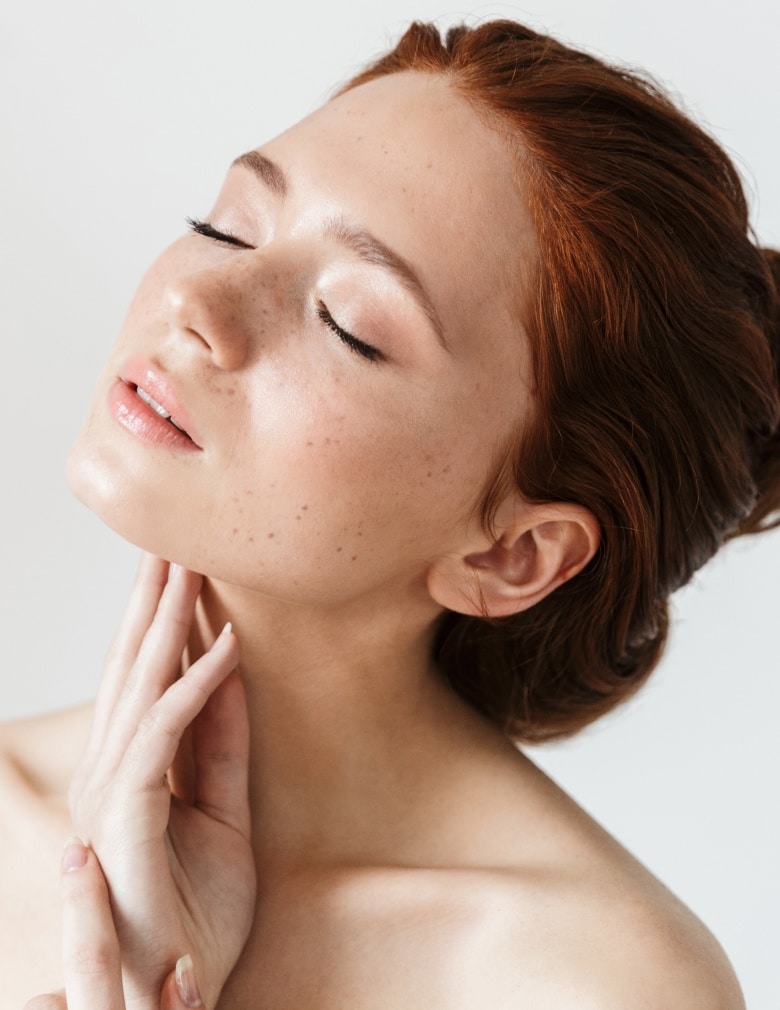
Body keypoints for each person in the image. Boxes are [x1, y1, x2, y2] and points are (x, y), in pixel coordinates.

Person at [5, 16, 778, 1009]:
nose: (200, 302)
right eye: (227, 225)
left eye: (349, 325)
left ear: (512, 554)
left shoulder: (593, 982)